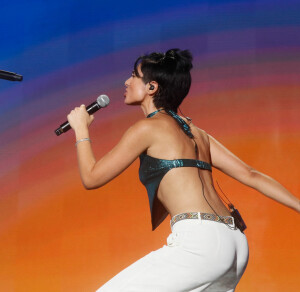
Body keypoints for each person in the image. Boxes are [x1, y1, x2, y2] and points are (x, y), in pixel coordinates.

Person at [67, 49, 300, 292]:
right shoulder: (198, 134)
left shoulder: (147, 129)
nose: (127, 81)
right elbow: (250, 174)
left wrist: (81, 129)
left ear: (152, 87)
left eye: (134, 75)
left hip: (200, 242)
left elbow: (92, 177)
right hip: (235, 243)